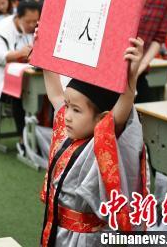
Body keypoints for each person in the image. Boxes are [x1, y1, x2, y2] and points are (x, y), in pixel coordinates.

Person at [40, 37, 148, 246]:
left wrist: (130, 78)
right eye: (68, 106)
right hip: (56, 229)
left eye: (76, 110)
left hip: (86, 239)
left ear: (102, 119)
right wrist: (44, 51)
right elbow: (55, 94)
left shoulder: (100, 142)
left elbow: (119, 115)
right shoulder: (68, 130)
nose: (67, 115)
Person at [0, 0, 40, 150]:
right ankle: (23, 137)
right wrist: (20, 53)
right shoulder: (1, 28)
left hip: (27, 72)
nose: (33, 25)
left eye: (36, 21)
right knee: (16, 93)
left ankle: (42, 134)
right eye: (29, 22)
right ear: (18, 17)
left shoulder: (36, 28)